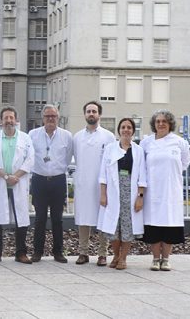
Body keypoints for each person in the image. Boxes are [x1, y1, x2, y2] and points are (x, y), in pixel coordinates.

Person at [140, 110, 190, 271]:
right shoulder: (146, 143)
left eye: (164, 121)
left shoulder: (179, 142)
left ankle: (166, 259)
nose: (161, 124)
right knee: (154, 225)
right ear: (154, 124)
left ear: (170, 124)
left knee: (169, 224)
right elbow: (141, 166)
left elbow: (184, 163)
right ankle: (155, 259)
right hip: (152, 192)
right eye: (158, 121)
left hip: (171, 191)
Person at [0, 106, 34, 264]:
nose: (8, 121)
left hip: (18, 183)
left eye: (11, 118)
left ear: (16, 120)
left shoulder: (25, 138)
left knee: (21, 218)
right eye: (6, 118)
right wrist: (6, 177)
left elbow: (30, 160)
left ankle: (21, 253)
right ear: (1, 121)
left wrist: (15, 176)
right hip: (1, 182)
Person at [97, 118, 146, 270]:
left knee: (127, 227)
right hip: (113, 191)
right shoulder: (110, 148)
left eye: (129, 127)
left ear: (133, 131)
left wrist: (140, 197)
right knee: (113, 227)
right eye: (123, 127)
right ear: (119, 130)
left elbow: (142, 177)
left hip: (130, 193)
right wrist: (103, 194)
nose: (126, 130)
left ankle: (123, 258)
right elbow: (103, 174)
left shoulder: (138, 150)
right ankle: (116, 255)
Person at [28, 105, 73, 263]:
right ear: (43, 118)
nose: (50, 119)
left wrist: (56, 169)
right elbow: (30, 156)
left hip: (58, 180)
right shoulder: (33, 135)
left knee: (57, 219)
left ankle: (58, 252)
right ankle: (37, 251)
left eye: (53, 116)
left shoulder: (66, 136)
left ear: (58, 118)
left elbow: (67, 158)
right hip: (39, 180)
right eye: (47, 116)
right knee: (39, 218)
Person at [72, 101, 114, 266]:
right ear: (84, 114)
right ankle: (83, 252)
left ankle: (102, 253)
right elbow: (77, 158)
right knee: (83, 218)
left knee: (102, 218)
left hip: (102, 185)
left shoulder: (108, 136)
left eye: (94, 111)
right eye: (88, 111)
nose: (91, 114)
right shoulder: (77, 137)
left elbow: (111, 162)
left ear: (99, 114)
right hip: (83, 184)